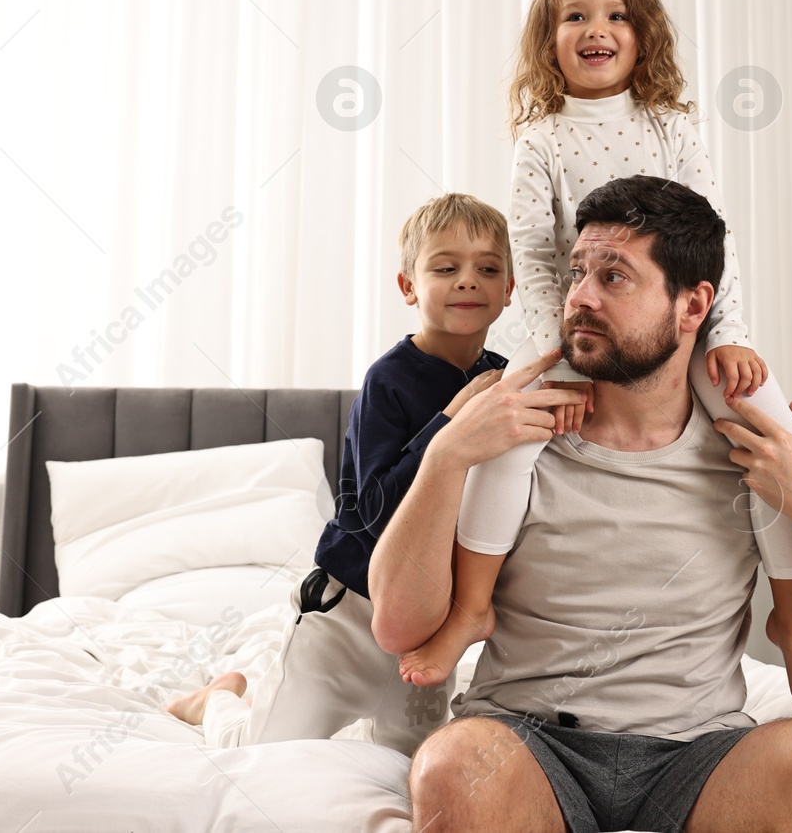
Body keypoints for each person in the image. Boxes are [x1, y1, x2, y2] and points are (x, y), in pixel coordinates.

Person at [370, 176, 792, 833]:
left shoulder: (749, 444)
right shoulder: (516, 422)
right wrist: (443, 457)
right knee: (450, 763)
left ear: (693, 305)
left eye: (614, 277)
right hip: (530, 741)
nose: (579, 296)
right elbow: (397, 626)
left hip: (702, 754)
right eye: (577, 271)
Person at [396, 0, 792, 721]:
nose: (595, 29)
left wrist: (729, 333)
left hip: (673, 331)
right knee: (508, 445)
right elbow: (533, 255)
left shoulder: (671, 128)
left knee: (765, 434)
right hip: (580, 334)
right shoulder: (541, 141)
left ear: (643, 36)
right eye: (575, 16)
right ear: (549, 39)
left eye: (615, 15)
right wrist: (550, 358)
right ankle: (472, 607)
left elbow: (713, 239)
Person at [163, 193, 558, 756]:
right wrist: (451, 423)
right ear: (408, 287)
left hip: (428, 621)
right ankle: (218, 700)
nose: (469, 280)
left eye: (488, 269)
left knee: (407, 761)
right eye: (446, 268)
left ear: (510, 291)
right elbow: (371, 510)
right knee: (261, 751)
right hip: (345, 612)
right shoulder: (389, 382)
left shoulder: (504, 381)